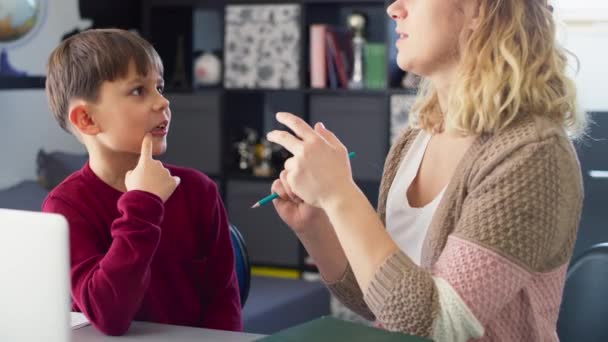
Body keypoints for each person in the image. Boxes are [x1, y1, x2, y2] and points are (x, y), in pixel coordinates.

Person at [266, 0, 585, 340]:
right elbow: (385, 303)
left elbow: (440, 326)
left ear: (479, 10)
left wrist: (339, 193)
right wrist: (317, 228)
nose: (393, 8)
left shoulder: (532, 153)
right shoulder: (415, 140)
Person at [42, 29, 241, 336]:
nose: (162, 102)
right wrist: (143, 205)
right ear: (87, 120)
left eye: (159, 87)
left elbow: (223, 307)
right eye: (138, 91)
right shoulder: (65, 207)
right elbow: (108, 315)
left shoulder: (198, 191)